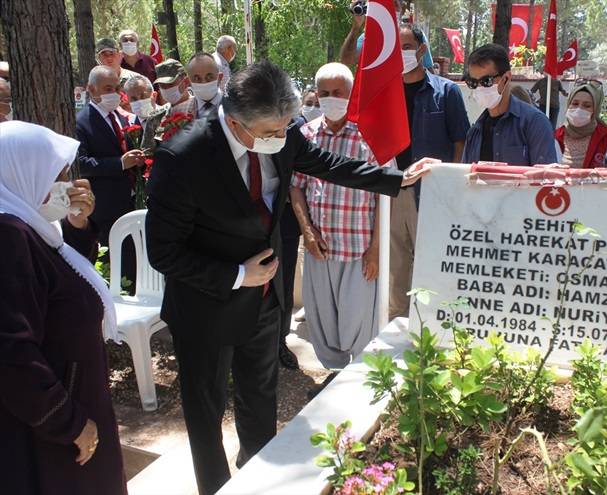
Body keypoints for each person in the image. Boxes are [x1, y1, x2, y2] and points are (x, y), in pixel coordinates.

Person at [145, 60, 433, 495]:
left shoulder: (279, 133)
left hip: (264, 300)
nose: (282, 138)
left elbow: (326, 163)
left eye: (286, 127)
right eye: (272, 131)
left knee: (260, 399)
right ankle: (215, 487)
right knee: (206, 412)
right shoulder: (182, 157)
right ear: (237, 122)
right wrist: (238, 274)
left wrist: (397, 178)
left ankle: (260, 479)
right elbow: (163, 252)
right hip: (206, 306)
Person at [0, 121, 125, 495]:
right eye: (57, 174)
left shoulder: (31, 225)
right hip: (48, 432)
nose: (67, 184)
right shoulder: (8, 236)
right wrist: (69, 423)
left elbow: (66, 282)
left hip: (72, 404)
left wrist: (77, 223)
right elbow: (11, 350)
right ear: (21, 171)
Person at [290, 62, 386, 377]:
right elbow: (297, 188)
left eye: (338, 93)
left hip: (359, 250)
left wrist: (376, 248)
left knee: (358, 323)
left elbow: (383, 198)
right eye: (325, 93)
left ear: (351, 94)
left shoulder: (370, 135)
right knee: (323, 324)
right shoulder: (305, 135)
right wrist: (307, 231)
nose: (331, 99)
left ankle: (359, 383)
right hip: (321, 248)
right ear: (316, 95)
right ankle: (333, 379)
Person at [389, 23, 470, 320]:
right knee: (396, 266)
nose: (401, 54)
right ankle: (397, 323)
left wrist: (451, 187)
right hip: (395, 189)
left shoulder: (446, 92)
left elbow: (460, 139)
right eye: (395, 48)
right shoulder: (387, 94)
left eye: (406, 47)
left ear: (422, 50)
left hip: (432, 194)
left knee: (433, 263)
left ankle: (431, 325)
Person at [76, 66, 141, 283]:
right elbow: (81, 163)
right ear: (91, 89)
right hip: (104, 208)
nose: (113, 93)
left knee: (132, 260)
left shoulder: (121, 118)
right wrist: (119, 164)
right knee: (111, 261)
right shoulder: (81, 122)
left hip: (129, 201)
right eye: (107, 88)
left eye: (115, 88)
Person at [462, 44, 557, 167]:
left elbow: (545, 179)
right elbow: (466, 181)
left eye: (486, 81)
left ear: (506, 78)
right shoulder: (474, 133)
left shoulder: (534, 123)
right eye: (473, 82)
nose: (479, 88)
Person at [340, 1, 435, 71]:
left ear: (402, 9)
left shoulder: (416, 35)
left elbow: (430, 72)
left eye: (394, 4)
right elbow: (346, 60)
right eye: (385, 4)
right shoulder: (369, 37)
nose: (390, 9)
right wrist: (356, 27)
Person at [554, 80, 607, 169]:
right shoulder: (556, 136)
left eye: (587, 106)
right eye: (575, 104)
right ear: (568, 104)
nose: (579, 109)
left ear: (595, 110)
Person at [123, 74, 168, 154]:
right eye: (133, 99)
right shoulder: (129, 128)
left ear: (154, 95)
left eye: (143, 96)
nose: (139, 102)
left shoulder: (169, 116)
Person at [186, 52, 224, 118]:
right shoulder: (180, 110)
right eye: (197, 78)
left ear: (220, 78)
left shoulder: (235, 106)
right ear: (188, 81)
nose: (204, 83)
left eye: (209, 77)